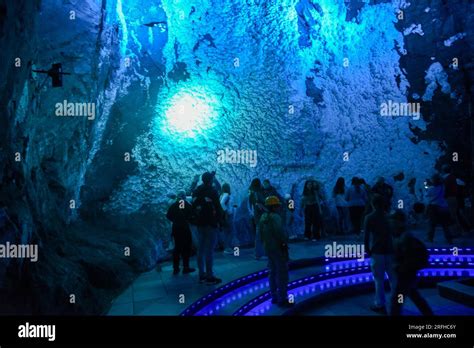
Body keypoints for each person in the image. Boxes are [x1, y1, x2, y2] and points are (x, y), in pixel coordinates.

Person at [389, 210, 433, 316]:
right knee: (414, 295)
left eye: (394, 221)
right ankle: (428, 313)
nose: (391, 223)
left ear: (400, 222)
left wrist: (400, 267)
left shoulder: (405, 237)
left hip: (406, 273)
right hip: (407, 273)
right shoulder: (400, 235)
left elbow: (408, 257)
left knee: (397, 300)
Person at [258, 196, 292, 307]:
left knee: (272, 272)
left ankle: (274, 296)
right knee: (282, 273)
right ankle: (283, 298)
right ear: (274, 206)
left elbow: (260, 234)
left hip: (268, 248)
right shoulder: (275, 217)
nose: (279, 207)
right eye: (277, 205)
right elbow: (280, 233)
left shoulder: (263, 217)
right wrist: (285, 241)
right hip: (278, 248)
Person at [363, 194, 395, 314]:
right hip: (390, 250)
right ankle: (396, 301)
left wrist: (367, 249)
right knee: (393, 278)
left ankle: (379, 303)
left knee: (378, 279)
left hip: (377, 251)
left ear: (374, 204)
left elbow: (366, 236)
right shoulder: (389, 216)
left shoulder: (369, 217)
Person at [192, 172, 223, 284]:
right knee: (209, 250)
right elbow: (218, 205)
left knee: (201, 249)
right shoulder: (212, 191)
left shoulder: (197, 190)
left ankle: (201, 275)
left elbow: (193, 199)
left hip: (200, 223)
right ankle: (210, 276)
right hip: (211, 223)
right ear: (210, 180)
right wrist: (220, 220)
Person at [166, 191, 195, 275]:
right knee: (186, 247)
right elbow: (191, 214)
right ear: (184, 196)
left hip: (176, 227)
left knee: (177, 248)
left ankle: (176, 268)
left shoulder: (173, 204)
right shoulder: (184, 203)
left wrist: (175, 220)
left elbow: (168, 216)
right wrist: (186, 219)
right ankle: (186, 267)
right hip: (184, 228)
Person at [425, 174, 453, 244]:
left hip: (434, 207)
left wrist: (426, 187)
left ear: (433, 180)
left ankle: (430, 238)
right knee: (445, 224)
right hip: (443, 206)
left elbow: (426, 195)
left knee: (432, 224)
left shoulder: (431, 188)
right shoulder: (442, 187)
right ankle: (449, 239)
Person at [248, 178, 267, 260]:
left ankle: (259, 253)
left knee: (259, 235)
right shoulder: (257, 193)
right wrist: (266, 209)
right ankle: (259, 254)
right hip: (260, 216)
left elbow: (251, 205)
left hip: (256, 216)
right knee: (260, 235)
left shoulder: (252, 193)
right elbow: (259, 204)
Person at [442, 166, 462, 237]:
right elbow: (462, 183)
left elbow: (443, 190)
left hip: (448, 198)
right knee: (454, 214)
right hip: (454, 197)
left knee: (451, 215)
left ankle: (455, 233)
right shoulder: (453, 177)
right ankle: (457, 231)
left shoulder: (444, 178)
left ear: (443, 170)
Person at [220, 183, 235, 255]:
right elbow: (222, 203)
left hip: (226, 215)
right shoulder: (226, 194)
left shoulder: (222, 195)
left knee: (226, 232)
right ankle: (227, 248)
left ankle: (226, 247)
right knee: (230, 232)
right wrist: (226, 211)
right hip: (228, 215)